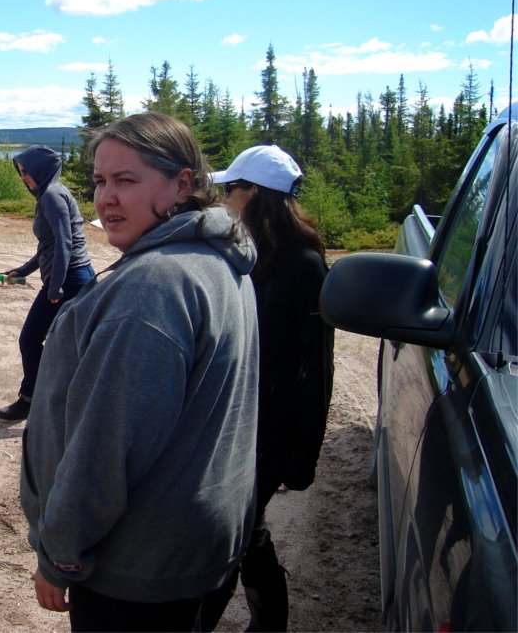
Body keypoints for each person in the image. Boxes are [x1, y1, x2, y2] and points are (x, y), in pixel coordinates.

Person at [20, 112, 260, 632]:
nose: (106, 197)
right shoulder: (214, 259)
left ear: (182, 183)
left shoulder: (154, 288)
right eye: (101, 180)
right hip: (191, 550)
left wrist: (59, 555)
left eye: (126, 180)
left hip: (136, 565)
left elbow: (104, 448)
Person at [202, 144, 335, 632]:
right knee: (247, 529)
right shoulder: (246, 251)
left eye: (232, 187)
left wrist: (304, 457)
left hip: (270, 429)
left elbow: (317, 369)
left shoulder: (304, 265)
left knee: (228, 533)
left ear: (254, 192)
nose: (225, 197)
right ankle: (269, 623)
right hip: (234, 419)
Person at [0, 145, 95, 421]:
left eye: (26, 171)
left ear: (40, 169)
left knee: (30, 339)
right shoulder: (51, 193)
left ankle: (31, 400)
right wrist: (23, 271)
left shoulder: (52, 195)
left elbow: (65, 243)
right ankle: (51, 401)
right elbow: (49, 245)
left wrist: (55, 288)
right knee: (67, 344)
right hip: (70, 278)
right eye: (21, 172)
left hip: (71, 280)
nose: (23, 177)